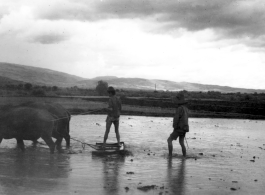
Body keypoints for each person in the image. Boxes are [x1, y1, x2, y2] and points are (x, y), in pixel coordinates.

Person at [167, 93, 189, 157]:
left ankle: (170, 156)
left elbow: (176, 119)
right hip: (185, 128)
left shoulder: (179, 109)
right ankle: (184, 157)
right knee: (181, 142)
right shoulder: (186, 109)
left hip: (179, 128)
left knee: (169, 140)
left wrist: (175, 126)